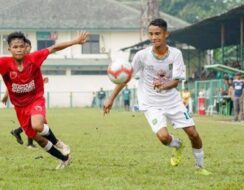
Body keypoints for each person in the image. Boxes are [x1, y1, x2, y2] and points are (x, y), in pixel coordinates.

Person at [103, 18, 211, 175]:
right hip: (151, 103)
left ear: (166, 34)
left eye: (158, 34)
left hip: (172, 101)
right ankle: (177, 146)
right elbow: (126, 77)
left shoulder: (176, 54)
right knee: (163, 138)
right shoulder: (141, 56)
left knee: (193, 134)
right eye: (151, 34)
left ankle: (200, 167)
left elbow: (175, 81)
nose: (154, 37)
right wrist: (111, 98)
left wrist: (164, 86)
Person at [0, 31, 88, 169]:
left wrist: (75, 41)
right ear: (9, 49)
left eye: (21, 46)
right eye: (15, 47)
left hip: (35, 99)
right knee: (39, 140)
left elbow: (54, 48)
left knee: (37, 125)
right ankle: (65, 159)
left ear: (26, 47)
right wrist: (6, 94)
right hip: (19, 107)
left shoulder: (34, 58)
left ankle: (59, 143)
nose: (18, 49)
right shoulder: (4, 63)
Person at [1, 38, 36, 148]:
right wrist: (6, 96)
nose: (25, 49)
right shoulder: (13, 63)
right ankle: (28, 141)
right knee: (31, 120)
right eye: (17, 47)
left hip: (32, 96)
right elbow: (12, 83)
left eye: (27, 47)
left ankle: (19, 133)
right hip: (21, 99)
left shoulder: (31, 60)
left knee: (33, 120)